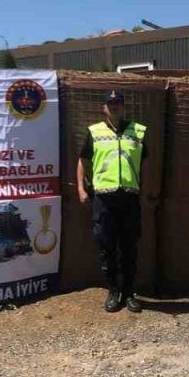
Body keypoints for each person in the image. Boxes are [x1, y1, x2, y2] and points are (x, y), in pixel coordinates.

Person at [77, 91, 147, 313]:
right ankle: (113, 291)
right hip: (104, 198)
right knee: (106, 246)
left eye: (118, 103)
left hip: (129, 197)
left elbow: (145, 163)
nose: (114, 107)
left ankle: (129, 293)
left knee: (129, 247)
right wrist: (81, 188)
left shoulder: (139, 131)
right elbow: (83, 161)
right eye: (110, 104)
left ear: (124, 107)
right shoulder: (94, 132)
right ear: (104, 108)